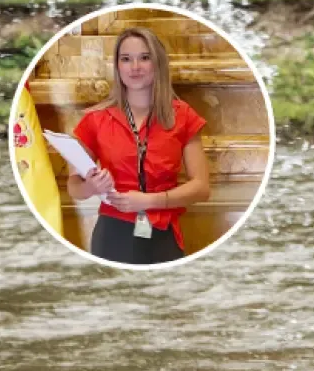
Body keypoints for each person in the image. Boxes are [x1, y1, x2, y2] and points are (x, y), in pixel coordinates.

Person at [68, 26, 211, 264]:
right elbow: (74, 187)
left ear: (158, 64)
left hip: (163, 233)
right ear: (118, 67)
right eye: (126, 59)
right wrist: (91, 186)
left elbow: (201, 187)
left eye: (144, 58)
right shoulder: (95, 120)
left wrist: (150, 201)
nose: (135, 67)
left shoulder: (183, 115)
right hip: (113, 233)